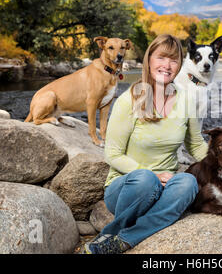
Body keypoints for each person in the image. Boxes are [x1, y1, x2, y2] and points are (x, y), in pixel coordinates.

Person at [84, 34, 208, 254]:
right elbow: (112, 154)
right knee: (146, 179)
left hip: (165, 188)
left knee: (188, 182)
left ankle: (121, 240)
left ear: (180, 65)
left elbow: (196, 145)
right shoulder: (128, 100)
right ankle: (114, 232)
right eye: (161, 58)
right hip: (128, 187)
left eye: (173, 60)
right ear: (149, 60)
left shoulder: (187, 100)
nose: (167, 66)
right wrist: (152, 173)